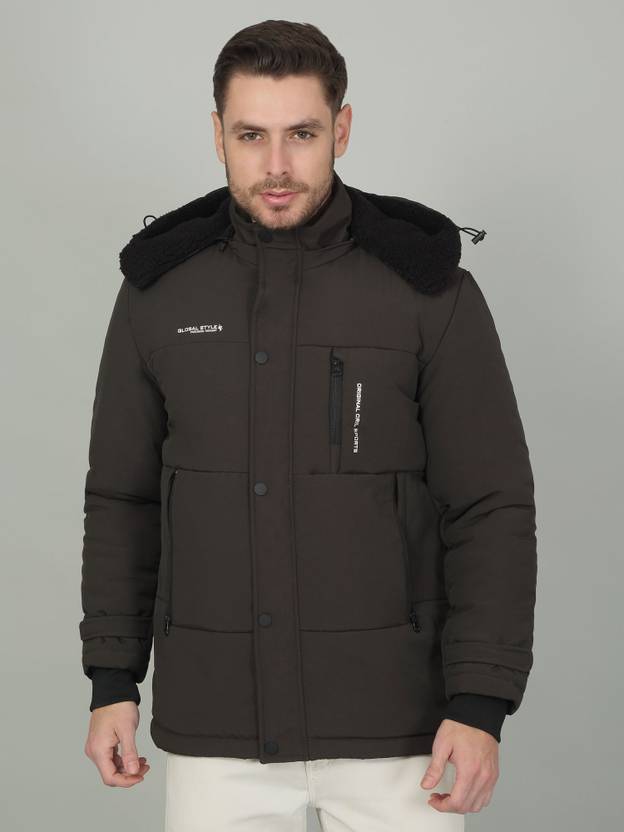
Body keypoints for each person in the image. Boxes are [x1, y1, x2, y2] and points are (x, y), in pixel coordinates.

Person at [80, 18, 537, 829]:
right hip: (217, 730)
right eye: (251, 135)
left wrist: (480, 703)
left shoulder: (427, 292)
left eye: (302, 134)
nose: (277, 166)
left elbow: (490, 505)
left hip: (401, 733)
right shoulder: (160, 292)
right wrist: (112, 682)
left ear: (342, 130)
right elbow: (123, 500)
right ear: (218, 135)